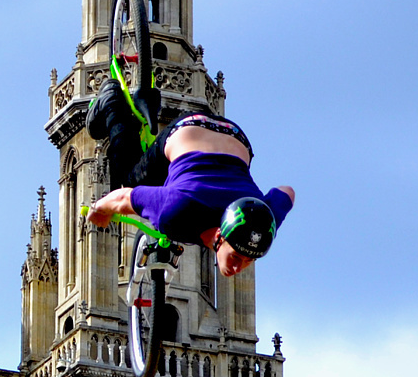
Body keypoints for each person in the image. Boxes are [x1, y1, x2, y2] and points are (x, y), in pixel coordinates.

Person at [85, 79, 295, 277]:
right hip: (186, 129)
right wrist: (99, 210)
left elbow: (287, 192)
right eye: (236, 257)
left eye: (248, 260)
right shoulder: (175, 211)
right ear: (220, 237)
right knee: (129, 177)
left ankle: (148, 106)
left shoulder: (262, 222)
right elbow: (123, 198)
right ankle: (112, 102)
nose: (238, 267)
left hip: (233, 135)